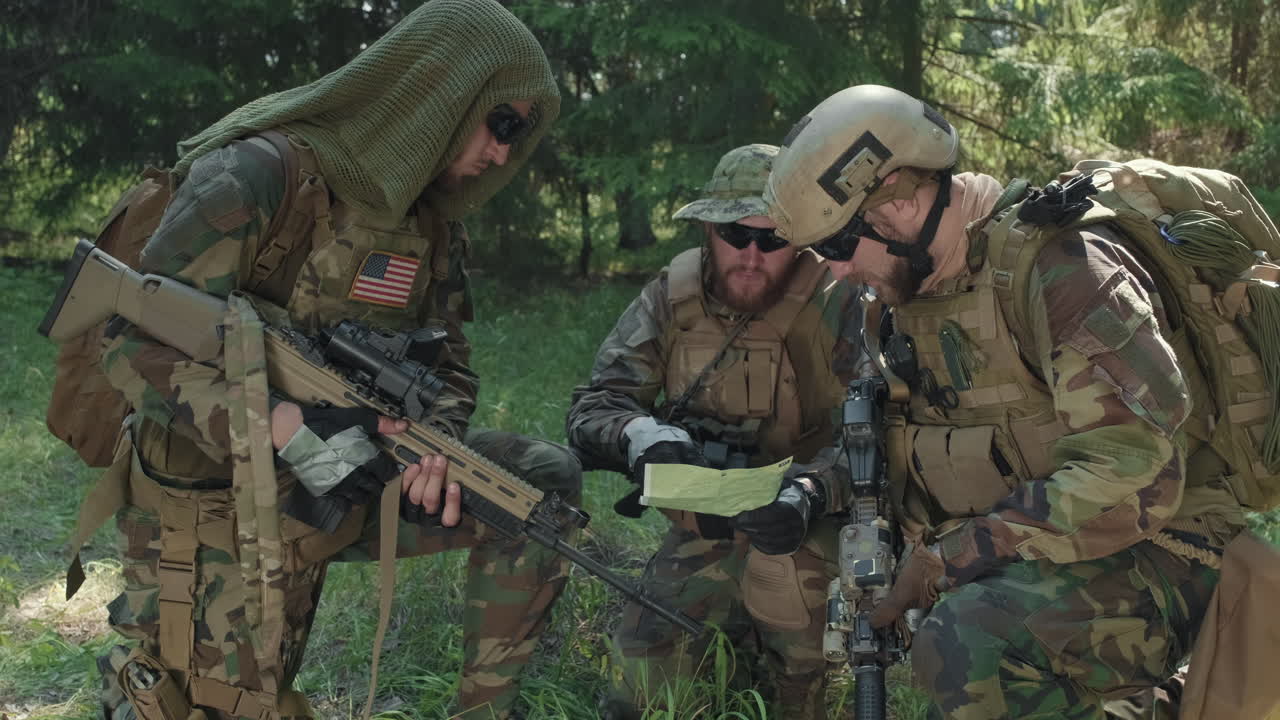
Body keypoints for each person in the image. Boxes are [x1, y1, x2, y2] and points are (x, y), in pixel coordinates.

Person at [83, 2, 580, 718]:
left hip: (348, 476)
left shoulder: (430, 223)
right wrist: (278, 426)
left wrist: (435, 440)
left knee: (536, 489)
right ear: (446, 91)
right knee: (201, 705)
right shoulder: (259, 176)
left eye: (522, 134)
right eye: (502, 122)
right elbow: (132, 344)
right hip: (214, 496)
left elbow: (448, 363)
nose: (505, 153)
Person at [764, 84, 1249, 719]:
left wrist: (948, 560)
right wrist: (814, 490)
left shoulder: (1062, 271)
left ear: (903, 203)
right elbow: (884, 438)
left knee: (968, 642)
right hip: (1035, 548)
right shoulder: (899, 298)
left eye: (837, 247)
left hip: (1170, 550)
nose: (834, 272)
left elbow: (1139, 477)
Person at [566, 144, 854, 719]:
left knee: (799, 682)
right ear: (707, 231)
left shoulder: (840, 303)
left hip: (803, 531)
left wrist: (811, 492)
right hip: (705, 531)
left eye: (771, 239)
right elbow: (594, 406)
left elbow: (878, 441)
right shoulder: (673, 296)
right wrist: (640, 436)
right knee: (636, 697)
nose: (751, 255)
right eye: (734, 236)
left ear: (799, 241)